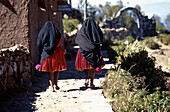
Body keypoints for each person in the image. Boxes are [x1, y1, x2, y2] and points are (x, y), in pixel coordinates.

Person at [36, 21, 67, 92]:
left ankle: (52, 86)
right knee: (56, 69)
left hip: (47, 54)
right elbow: (60, 43)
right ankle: (56, 84)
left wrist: (45, 48)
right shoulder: (57, 33)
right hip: (57, 53)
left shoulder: (42, 33)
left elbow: (39, 43)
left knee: (50, 71)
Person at [75, 17, 105, 88]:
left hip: (83, 52)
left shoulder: (82, 31)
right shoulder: (96, 30)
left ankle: (86, 79)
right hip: (93, 52)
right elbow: (100, 38)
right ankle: (91, 83)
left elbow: (78, 40)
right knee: (92, 68)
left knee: (85, 67)